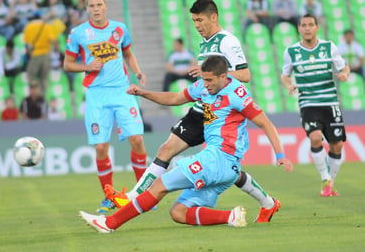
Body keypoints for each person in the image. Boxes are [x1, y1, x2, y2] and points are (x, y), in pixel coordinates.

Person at [105, 0, 285, 224]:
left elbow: (245, 75)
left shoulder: (228, 41)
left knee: (226, 168)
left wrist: (213, 74)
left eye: (200, 20)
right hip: (201, 109)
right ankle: (132, 197)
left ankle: (267, 203)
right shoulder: (205, 43)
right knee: (171, 150)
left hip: (217, 113)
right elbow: (183, 93)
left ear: (214, 17)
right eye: (193, 21)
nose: (197, 25)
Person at [79, 55, 293, 233]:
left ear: (223, 76)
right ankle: (231, 216)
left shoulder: (237, 95)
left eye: (209, 81)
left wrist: (280, 155)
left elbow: (265, 123)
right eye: (204, 80)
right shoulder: (203, 86)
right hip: (227, 169)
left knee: (159, 186)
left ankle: (109, 223)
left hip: (218, 159)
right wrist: (143, 93)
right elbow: (174, 98)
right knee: (178, 213)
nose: (205, 85)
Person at [63, 0, 148, 214]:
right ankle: (109, 196)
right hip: (96, 94)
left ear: (105, 6)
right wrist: (87, 67)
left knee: (137, 140)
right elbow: (67, 65)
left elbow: (128, 53)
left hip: (122, 91)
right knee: (101, 146)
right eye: (91, 6)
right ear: (87, 9)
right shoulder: (78, 33)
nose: (96, 9)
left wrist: (137, 72)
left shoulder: (119, 29)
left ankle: (142, 193)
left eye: (99, 4)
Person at [281, 13, 350, 197]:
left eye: (311, 24)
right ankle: (325, 178)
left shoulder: (329, 47)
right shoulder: (291, 51)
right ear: (299, 28)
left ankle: (329, 183)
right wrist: (288, 85)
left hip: (330, 102)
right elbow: (285, 75)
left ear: (317, 27)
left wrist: (344, 75)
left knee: (337, 146)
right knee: (315, 138)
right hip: (308, 103)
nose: (307, 28)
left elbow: (344, 67)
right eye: (303, 25)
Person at [23, 13, 57, 95]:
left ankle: (34, 94)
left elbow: (26, 43)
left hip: (35, 54)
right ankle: (43, 96)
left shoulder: (29, 26)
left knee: (32, 76)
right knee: (44, 78)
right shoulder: (47, 26)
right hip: (46, 53)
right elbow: (53, 41)